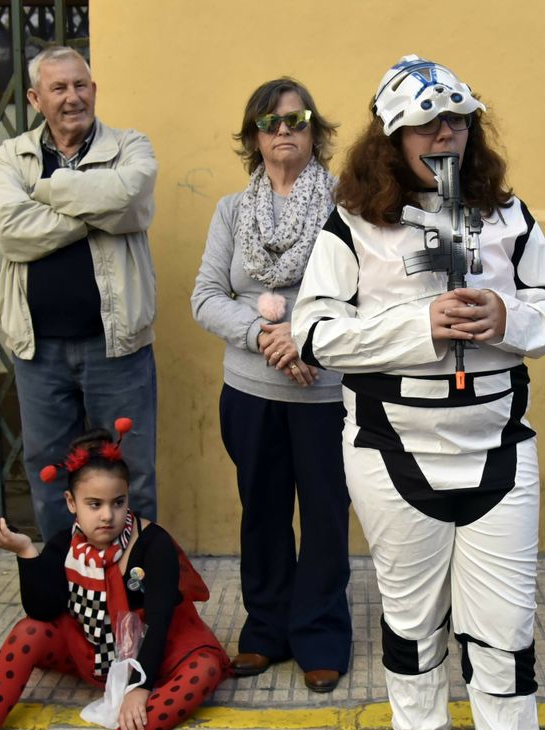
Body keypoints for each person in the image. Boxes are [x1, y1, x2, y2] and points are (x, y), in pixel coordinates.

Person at [292, 56, 545, 730]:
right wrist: (418, 324)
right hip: (392, 450)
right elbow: (314, 333)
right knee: (413, 619)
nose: (442, 133)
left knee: (505, 629)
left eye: (454, 118)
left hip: (498, 449)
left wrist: (509, 316)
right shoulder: (353, 224)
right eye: (423, 122)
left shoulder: (508, 215)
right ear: (392, 136)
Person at [0, 424, 230, 730]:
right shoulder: (65, 542)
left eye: (118, 502)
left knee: (204, 668)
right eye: (94, 505)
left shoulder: (153, 543)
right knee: (27, 631)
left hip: (151, 652)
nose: (107, 516)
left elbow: (159, 622)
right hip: (93, 652)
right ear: (70, 503)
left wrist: (139, 687)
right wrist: (25, 552)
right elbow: (43, 609)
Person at [190, 78, 351, 693]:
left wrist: (304, 339)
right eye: (270, 120)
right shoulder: (232, 211)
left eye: (297, 119)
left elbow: (362, 294)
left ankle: (321, 635)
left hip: (327, 394)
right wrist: (265, 337)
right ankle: (265, 631)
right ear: (253, 135)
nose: (284, 130)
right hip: (250, 393)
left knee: (326, 517)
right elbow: (206, 297)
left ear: (315, 131)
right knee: (262, 513)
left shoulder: (347, 206)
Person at [0, 45, 160, 538]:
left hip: (119, 346)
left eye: (80, 85)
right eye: (58, 88)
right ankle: (66, 587)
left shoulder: (131, 147)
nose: (72, 97)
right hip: (38, 349)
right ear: (35, 98)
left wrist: (44, 190)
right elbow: (11, 233)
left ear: (94, 90)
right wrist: (96, 209)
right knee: (49, 473)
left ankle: (135, 589)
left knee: (132, 472)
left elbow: (133, 197)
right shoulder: (11, 155)